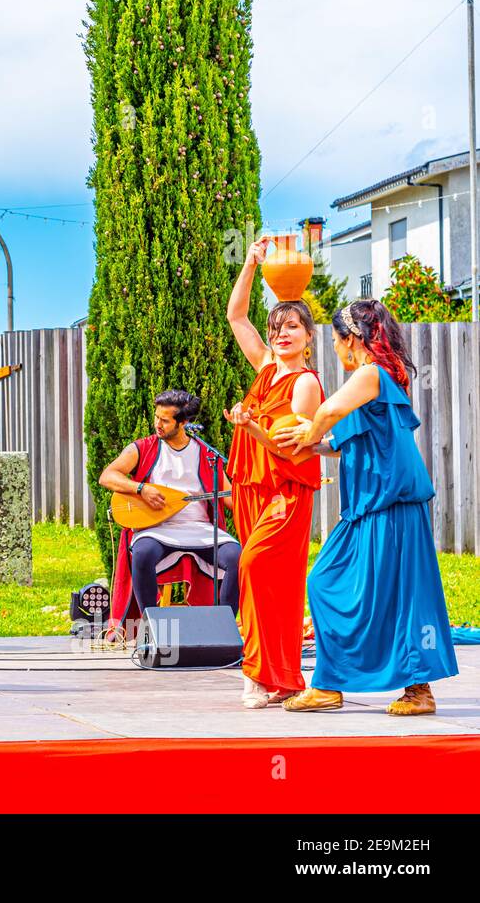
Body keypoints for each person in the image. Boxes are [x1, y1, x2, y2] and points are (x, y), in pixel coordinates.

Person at [275, 300, 458, 715]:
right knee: (326, 582)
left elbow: (329, 411)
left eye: (336, 340)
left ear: (352, 339)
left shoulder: (370, 373)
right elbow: (343, 441)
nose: (335, 349)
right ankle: (330, 684)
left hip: (391, 507)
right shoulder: (368, 381)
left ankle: (418, 691)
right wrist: (308, 444)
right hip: (365, 509)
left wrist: (307, 432)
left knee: (402, 596)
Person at [224, 236, 325, 708]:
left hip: (285, 490)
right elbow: (236, 316)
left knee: (253, 564)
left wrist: (251, 427)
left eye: (292, 327)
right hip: (249, 487)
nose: (282, 333)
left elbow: (296, 450)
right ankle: (275, 677)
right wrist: (249, 262)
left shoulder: (306, 383)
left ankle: (259, 672)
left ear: (309, 336)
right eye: (278, 327)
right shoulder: (266, 366)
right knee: (264, 583)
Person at [98, 389, 240, 640]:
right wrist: (141, 488)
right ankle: (152, 629)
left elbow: (228, 497)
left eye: (165, 420)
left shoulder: (206, 454)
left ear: (183, 422)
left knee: (237, 557)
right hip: (156, 529)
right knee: (141, 553)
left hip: (201, 530)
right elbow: (108, 476)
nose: (157, 425)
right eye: (156, 417)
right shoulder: (143, 448)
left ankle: (223, 632)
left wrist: (260, 502)